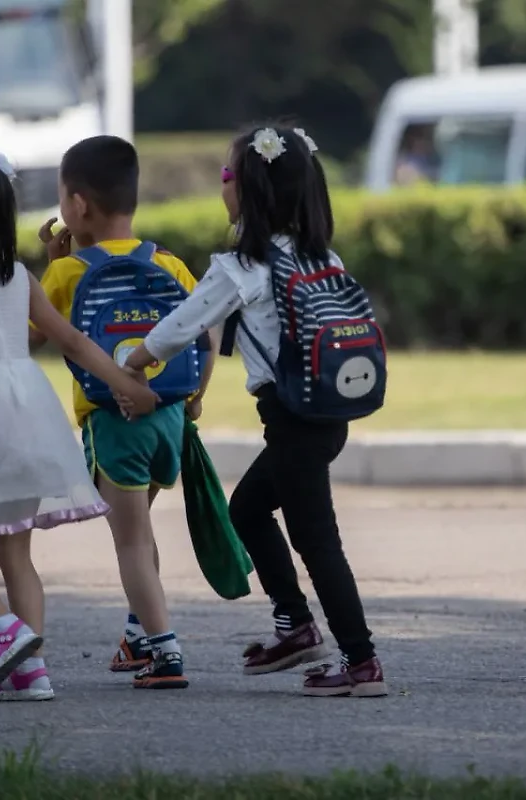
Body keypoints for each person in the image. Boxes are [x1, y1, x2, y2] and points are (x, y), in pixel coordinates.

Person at [121, 125, 388, 698]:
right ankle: (295, 627)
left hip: (294, 420)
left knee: (317, 541)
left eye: (226, 175)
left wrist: (133, 362)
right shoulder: (321, 255)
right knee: (245, 509)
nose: (221, 185)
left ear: (249, 189)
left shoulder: (244, 265)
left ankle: (361, 661)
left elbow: (182, 325)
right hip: (325, 415)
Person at [0, 139, 158, 700]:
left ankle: (6, 629)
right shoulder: (19, 277)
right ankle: (32, 673)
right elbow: (74, 342)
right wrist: (126, 383)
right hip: (23, 419)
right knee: (15, 551)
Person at [32, 135, 216, 690]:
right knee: (141, 532)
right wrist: (195, 397)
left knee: (130, 543)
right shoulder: (168, 263)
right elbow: (206, 335)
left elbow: (32, 338)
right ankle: (139, 636)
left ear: (78, 204)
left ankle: (166, 652)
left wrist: (52, 270)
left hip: (116, 424)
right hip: (169, 419)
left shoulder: (66, 274)